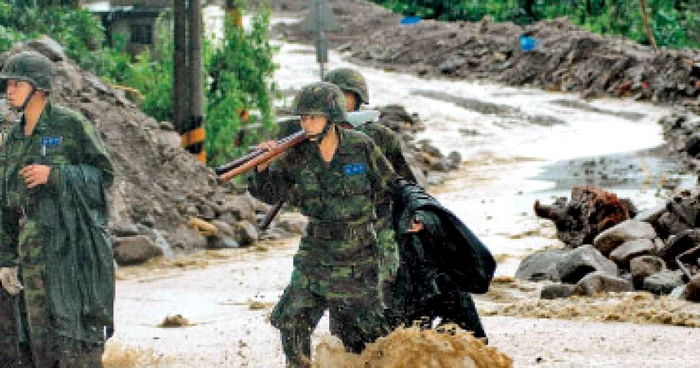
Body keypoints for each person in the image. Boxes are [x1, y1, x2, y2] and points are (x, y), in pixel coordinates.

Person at [248, 82, 421, 367]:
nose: (307, 123)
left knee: (368, 334)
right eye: (303, 118)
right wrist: (263, 168)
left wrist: (413, 217)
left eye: (313, 117)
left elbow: (394, 187)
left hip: (358, 255)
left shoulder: (360, 147)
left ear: (331, 118)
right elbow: (271, 194)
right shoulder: (297, 154)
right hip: (315, 252)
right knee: (291, 319)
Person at [0, 50, 115, 367]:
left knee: (74, 343)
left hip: (69, 256)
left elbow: (104, 175)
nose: (9, 91)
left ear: (39, 88)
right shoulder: (13, 138)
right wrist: (6, 260)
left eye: (15, 84)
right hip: (30, 260)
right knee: (35, 348)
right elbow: (6, 203)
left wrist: (56, 175)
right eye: (7, 85)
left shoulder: (70, 125)